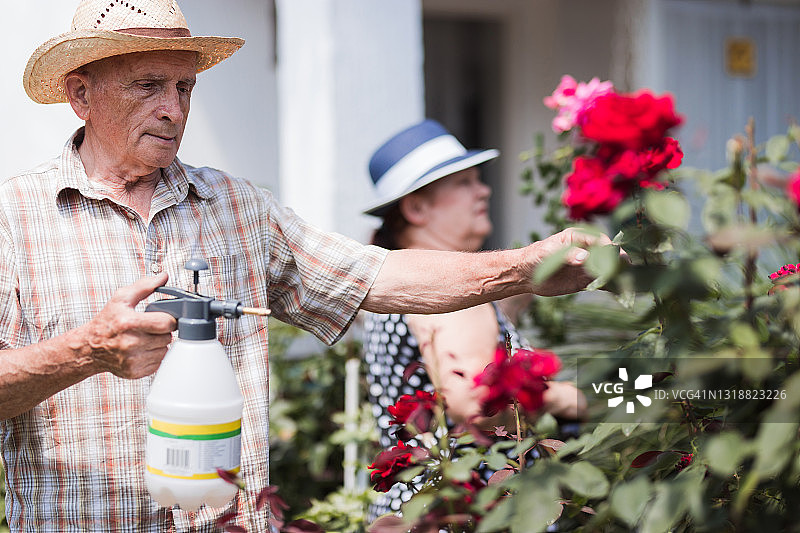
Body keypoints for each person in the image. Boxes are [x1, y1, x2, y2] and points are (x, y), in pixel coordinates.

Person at [0, 1, 610, 531]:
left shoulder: (236, 207)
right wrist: (85, 351)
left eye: (185, 87)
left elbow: (378, 275)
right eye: (148, 85)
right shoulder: (14, 218)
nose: (173, 109)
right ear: (80, 93)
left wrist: (527, 266)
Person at [361, 119, 587, 517]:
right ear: (416, 207)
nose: (482, 190)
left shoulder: (408, 283)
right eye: (464, 182)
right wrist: (572, 398)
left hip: (422, 508)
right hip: (469, 511)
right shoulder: (449, 290)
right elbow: (475, 401)